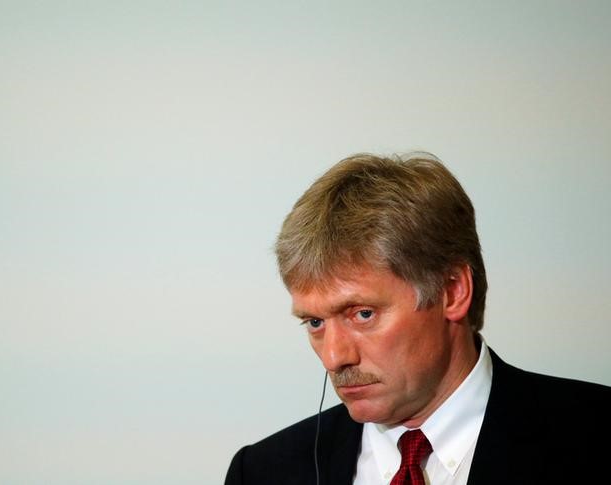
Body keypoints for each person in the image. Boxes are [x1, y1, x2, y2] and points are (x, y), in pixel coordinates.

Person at [224, 153, 611, 485]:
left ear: (452, 291)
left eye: (362, 314)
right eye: (315, 323)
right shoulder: (263, 472)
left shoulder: (593, 437)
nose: (334, 358)